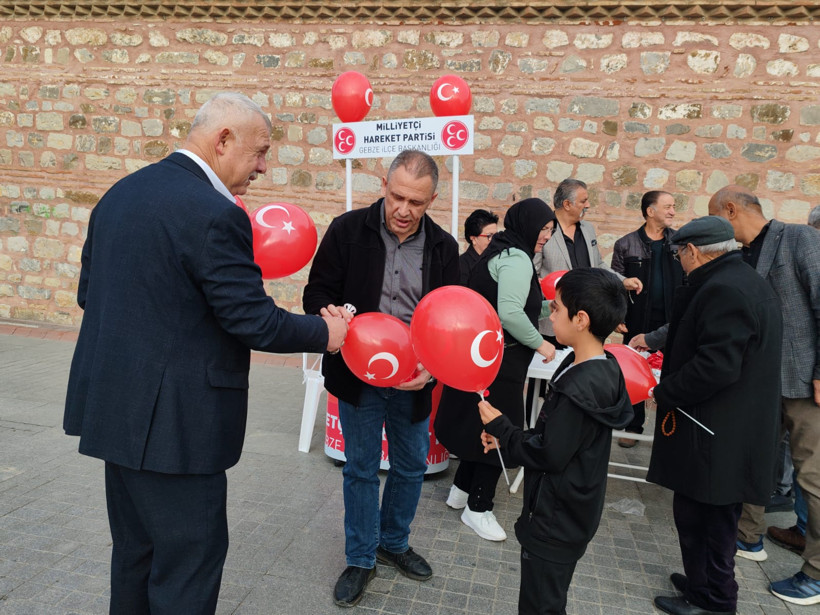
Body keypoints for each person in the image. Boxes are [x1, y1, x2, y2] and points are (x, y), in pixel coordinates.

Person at [62, 92, 348, 614]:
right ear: (223, 140)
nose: (263, 166)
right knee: (188, 566)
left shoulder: (119, 194)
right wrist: (323, 335)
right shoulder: (216, 214)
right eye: (260, 151)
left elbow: (90, 295)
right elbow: (251, 320)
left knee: (134, 556)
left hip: (116, 414)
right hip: (176, 429)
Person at [302, 149, 459, 608]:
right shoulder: (347, 231)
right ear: (384, 186)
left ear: (432, 200)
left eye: (417, 202)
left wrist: (433, 366)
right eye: (397, 197)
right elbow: (317, 292)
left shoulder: (444, 248)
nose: (404, 211)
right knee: (361, 469)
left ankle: (393, 543)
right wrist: (327, 313)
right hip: (358, 378)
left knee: (411, 467)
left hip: (413, 380)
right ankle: (360, 557)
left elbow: (450, 319)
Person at [477, 267, 633, 614]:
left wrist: (503, 428)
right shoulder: (599, 365)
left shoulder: (579, 386)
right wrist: (509, 439)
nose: (550, 312)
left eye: (557, 308)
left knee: (540, 605)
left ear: (581, 319)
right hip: (572, 512)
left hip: (554, 521)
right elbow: (557, 438)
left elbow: (549, 454)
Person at [648, 216, 782, 615]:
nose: (678, 261)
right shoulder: (736, 279)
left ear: (692, 251)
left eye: (678, 254)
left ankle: (716, 601)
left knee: (710, 522)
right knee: (697, 514)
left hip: (719, 433)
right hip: (720, 427)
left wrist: (664, 390)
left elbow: (717, 366)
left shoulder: (725, 289)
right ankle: (701, 583)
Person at [708, 186, 820, 606]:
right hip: (758, 384)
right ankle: (747, 538)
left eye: (717, 218)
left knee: (812, 478)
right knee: (754, 461)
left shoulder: (799, 239)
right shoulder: (738, 256)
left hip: (804, 384)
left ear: (732, 210)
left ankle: (816, 574)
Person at [435, 198, 557, 542]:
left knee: (480, 421)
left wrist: (549, 306)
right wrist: (540, 343)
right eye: (543, 229)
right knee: (499, 429)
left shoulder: (498, 251)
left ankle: (460, 491)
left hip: (483, 357)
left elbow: (517, 304)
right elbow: (511, 314)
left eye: (550, 230)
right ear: (528, 225)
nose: (546, 236)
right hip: (504, 360)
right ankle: (478, 507)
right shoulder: (517, 258)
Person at [611, 191, 684, 448]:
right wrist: (617, 317)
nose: (673, 212)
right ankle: (633, 426)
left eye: (673, 206)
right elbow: (615, 284)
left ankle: (670, 430)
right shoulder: (625, 244)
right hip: (637, 321)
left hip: (672, 321)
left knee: (672, 373)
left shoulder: (681, 242)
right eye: (668, 207)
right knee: (634, 372)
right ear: (650, 211)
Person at [536, 178, 642, 346]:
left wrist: (623, 281)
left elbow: (597, 264)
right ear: (567, 204)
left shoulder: (588, 229)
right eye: (583, 201)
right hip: (554, 324)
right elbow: (534, 275)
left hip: (586, 322)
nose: (588, 205)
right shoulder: (544, 231)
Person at [460, 208, 499, 284]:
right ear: (474, 239)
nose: (494, 240)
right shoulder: (461, 266)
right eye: (489, 236)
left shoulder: (497, 259)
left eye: (496, 235)